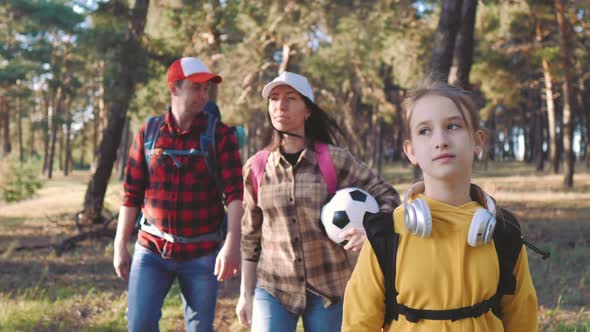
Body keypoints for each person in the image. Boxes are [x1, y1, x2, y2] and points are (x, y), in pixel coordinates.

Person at [342, 79, 538, 331]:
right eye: (425, 130)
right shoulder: (386, 233)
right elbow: (359, 323)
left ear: (477, 141)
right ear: (411, 151)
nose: (441, 140)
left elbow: (522, 317)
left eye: (453, 126)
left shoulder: (502, 230)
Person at [235, 71, 400, 332]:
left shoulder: (334, 159)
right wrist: (245, 293)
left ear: (307, 110)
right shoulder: (256, 167)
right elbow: (250, 235)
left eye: (291, 98)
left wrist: (371, 230)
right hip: (274, 288)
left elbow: (387, 194)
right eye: (274, 99)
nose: (281, 106)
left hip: (330, 289)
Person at [113, 57, 244, 332]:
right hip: (151, 250)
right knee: (139, 325)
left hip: (202, 252)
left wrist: (231, 245)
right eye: (196, 87)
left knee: (199, 328)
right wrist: (120, 245)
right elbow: (131, 194)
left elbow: (235, 194)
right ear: (174, 89)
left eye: (206, 89)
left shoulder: (220, 135)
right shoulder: (149, 133)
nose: (203, 95)